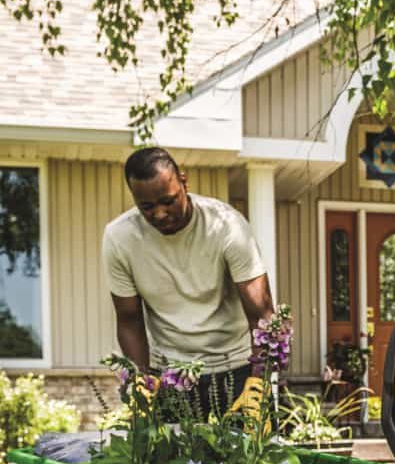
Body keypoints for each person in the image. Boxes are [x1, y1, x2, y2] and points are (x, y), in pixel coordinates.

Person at [103, 147, 276, 414]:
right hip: (169, 376)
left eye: (168, 201)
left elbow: (262, 313)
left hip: (238, 370)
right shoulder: (120, 238)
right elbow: (129, 319)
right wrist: (142, 380)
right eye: (147, 206)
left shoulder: (226, 225)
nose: (159, 213)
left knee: (256, 456)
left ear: (184, 182)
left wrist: (258, 383)